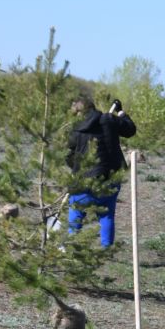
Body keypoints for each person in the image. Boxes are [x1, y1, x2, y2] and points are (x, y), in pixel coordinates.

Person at [65, 95, 136, 249]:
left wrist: (75, 169)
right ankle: (106, 250)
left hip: (83, 181)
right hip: (109, 178)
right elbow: (130, 129)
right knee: (106, 215)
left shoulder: (76, 129)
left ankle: (69, 249)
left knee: (76, 213)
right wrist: (121, 112)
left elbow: (69, 155)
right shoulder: (109, 120)